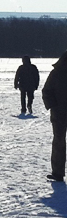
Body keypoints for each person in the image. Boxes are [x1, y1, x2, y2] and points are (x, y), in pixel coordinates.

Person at [42, 52, 67, 181]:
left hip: (58, 113)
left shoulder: (56, 73)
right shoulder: (56, 74)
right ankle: (58, 172)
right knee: (59, 142)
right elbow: (46, 91)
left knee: (58, 142)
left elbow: (46, 91)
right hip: (59, 113)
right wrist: (54, 106)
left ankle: (58, 172)